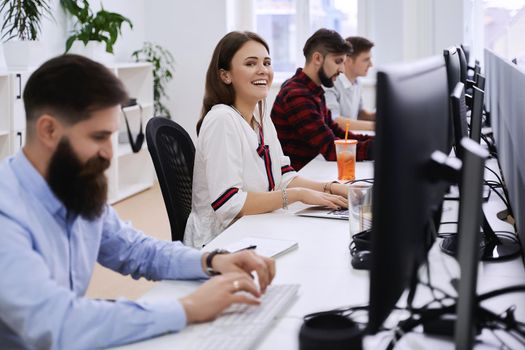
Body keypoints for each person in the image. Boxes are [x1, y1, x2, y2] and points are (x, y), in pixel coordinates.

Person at [0, 54, 276, 350]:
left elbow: (136, 250)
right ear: (49, 130)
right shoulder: (8, 211)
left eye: (112, 136)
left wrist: (212, 260)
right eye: (98, 136)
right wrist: (188, 308)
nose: (108, 152)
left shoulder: (72, 182)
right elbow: (56, 324)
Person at [184, 31, 349, 248]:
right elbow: (229, 203)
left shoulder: (260, 117)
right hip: (221, 242)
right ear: (226, 75)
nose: (263, 70)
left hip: (254, 226)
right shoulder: (222, 120)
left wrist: (330, 187)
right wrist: (298, 195)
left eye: (267, 62)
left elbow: (282, 176)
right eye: (251, 63)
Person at [271, 28, 374, 171]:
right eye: (338, 61)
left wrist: (377, 141)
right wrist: (380, 148)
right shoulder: (297, 95)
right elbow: (332, 149)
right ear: (317, 58)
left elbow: (336, 132)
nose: (342, 70)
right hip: (298, 178)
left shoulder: (314, 91)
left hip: (312, 170)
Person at [324, 36, 376, 131]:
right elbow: (334, 120)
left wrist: (381, 116)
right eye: (366, 60)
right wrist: (375, 126)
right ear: (348, 61)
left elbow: (359, 113)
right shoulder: (330, 83)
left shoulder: (357, 82)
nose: (371, 64)